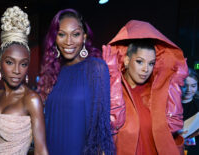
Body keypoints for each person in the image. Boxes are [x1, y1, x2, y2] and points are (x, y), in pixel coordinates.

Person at [102, 20, 188, 155]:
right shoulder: (113, 91)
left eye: (151, 63)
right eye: (140, 61)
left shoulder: (158, 93)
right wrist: (112, 80)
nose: (145, 69)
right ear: (126, 60)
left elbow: (171, 129)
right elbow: (111, 127)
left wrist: (174, 87)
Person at [37, 8, 114, 154]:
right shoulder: (53, 71)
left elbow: (102, 128)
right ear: (54, 38)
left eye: (75, 34)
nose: (68, 41)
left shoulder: (96, 68)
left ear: (84, 37)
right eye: (61, 34)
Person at [0, 6, 48, 155]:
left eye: (23, 64)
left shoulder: (31, 100)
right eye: (9, 62)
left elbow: (41, 150)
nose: (17, 70)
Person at [181, 68, 199, 155]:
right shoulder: (170, 106)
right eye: (185, 86)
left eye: (193, 86)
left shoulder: (197, 105)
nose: (188, 90)